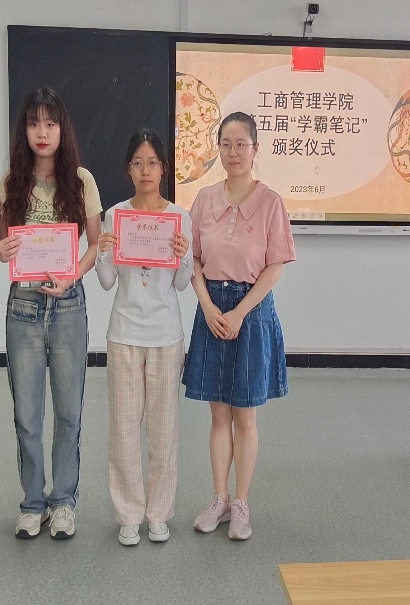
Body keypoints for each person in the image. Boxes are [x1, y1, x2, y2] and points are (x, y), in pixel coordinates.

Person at [0, 88, 103, 540]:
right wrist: (1, 250)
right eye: (34, 123)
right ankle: (32, 503)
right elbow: (2, 246)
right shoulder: (12, 181)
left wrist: (72, 276)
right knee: (26, 415)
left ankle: (62, 502)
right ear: (24, 130)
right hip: (22, 306)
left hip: (67, 306)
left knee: (68, 413)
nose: (42, 132)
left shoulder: (81, 180)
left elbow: (95, 244)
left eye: (51, 123)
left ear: (62, 129)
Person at [184, 112, 296, 541]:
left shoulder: (270, 202)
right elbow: (193, 259)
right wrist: (208, 305)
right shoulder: (204, 198)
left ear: (255, 149)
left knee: (245, 415)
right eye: (226, 144)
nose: (233, 153)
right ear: (218, 149)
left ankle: (242, 502)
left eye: (241, 144)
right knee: (218, 414)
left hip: (251, 311)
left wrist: (239, 312)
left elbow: (274, 267)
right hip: (211, 307)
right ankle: (219, 499)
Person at [95, 129, 193, 546]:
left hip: (166, 334)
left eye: (153, 162)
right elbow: (106, 281)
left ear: (164, 168)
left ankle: (159, 513)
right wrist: (103, 250)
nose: (146, 170)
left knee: (163, 429)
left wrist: (184, 255)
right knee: (123, 429)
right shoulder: (116, 215)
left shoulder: (180, 217)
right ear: (128, 169)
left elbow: (183, 284)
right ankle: (129, 514)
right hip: (124, 333)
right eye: (138, 163)